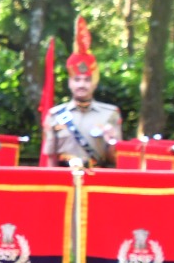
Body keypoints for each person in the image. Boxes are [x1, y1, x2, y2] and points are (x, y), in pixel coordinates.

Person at [40, 17, 121, 167]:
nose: (81, 85)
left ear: (95, 84)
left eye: (87, 80)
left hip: (96, 179)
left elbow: (115, 159)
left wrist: (112, 141)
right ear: (70, 83)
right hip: (64, 179)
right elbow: (50, 158)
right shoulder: (55, 115)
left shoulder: (110, 114)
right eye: (77, 80)